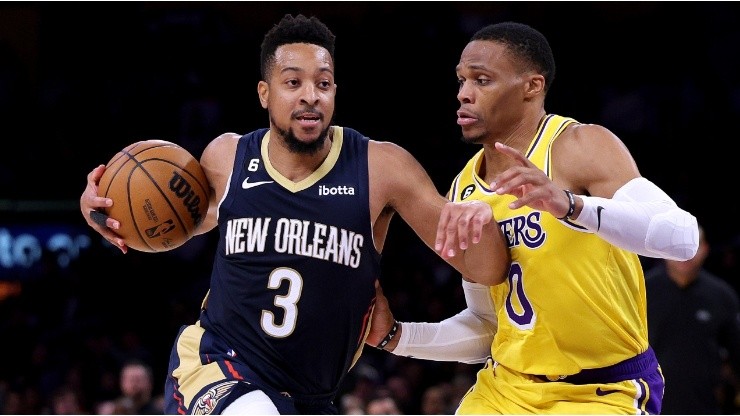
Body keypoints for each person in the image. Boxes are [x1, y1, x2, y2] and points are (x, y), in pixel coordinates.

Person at [79, 14, 510, 415]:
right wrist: (102, 212)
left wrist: (480, 225)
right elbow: (170, 225)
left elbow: (487, 269)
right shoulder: (228, 157)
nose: (310, 95)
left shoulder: (382, 168)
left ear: (336, 92)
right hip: (217, 363)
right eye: (293, 82)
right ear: (264, 93)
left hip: (311, 395)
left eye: (323, 83)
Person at [366, 21, 699, 414]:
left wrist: (571, 205)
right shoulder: (463, 190)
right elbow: (488, 325)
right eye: (461, 80)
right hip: (505, 388)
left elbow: (683, 239)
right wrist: (396, 336)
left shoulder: (577, 146)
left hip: (602, 389)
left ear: (532, 87)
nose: (464, 95)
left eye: (482, 80)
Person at [646, 225, 740, 414]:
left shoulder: (722, 296)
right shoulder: (641, 291)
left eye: (692, 245)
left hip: (705, 405)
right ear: (663, 249)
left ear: (705, 249)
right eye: (677, 246)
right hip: (648, 404)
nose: (684, 254)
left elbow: (736, 353)